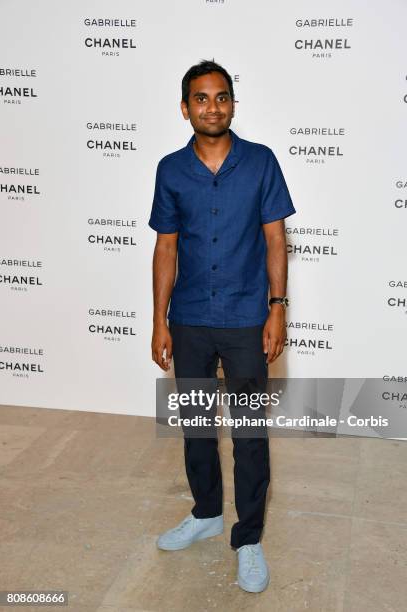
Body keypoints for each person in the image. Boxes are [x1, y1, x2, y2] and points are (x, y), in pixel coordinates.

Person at [148, 59, 296, 593]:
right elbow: (166, 247)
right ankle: (207, 511)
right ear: (185, 108)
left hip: (245, 317)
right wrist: (160, 321)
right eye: (202, 98)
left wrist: (277, 306)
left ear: (233, 103)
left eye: (222, 96)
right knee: (195, 428)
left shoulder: (260, 162)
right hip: (188, 319)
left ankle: (249, 537)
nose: (213, 106)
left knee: (251, 433)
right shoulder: (170, 169)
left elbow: (276, 239)